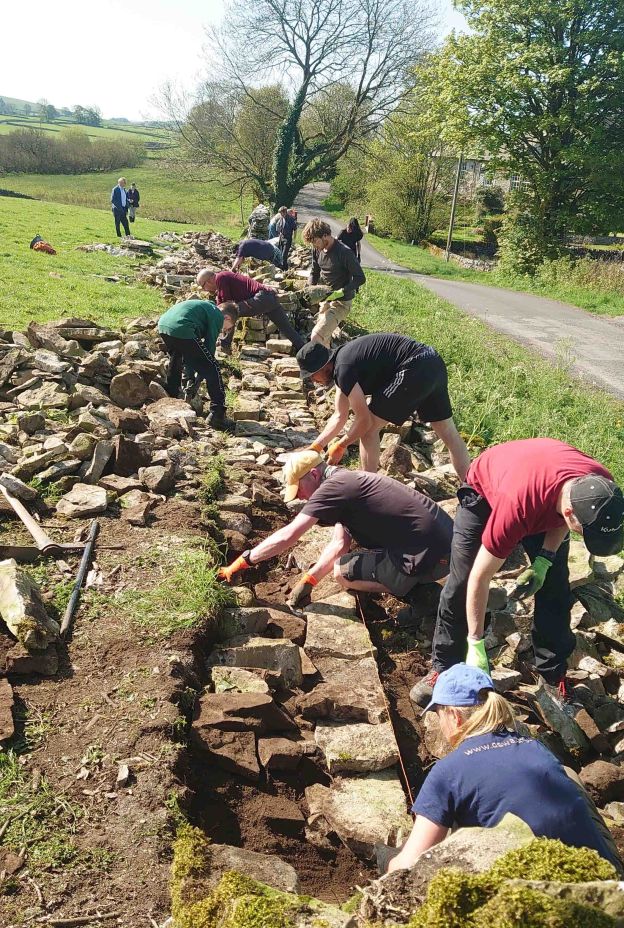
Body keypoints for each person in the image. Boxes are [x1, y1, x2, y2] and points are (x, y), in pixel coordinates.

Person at [410, 438, 624, 707]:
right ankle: (444, 667)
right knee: (462, 581)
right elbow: (480, 576)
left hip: (539, 484)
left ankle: (552, 671)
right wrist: (476, 643)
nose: (582, 534)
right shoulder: (518, 507)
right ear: (571, 514)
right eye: (584, 530)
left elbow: (562, 515)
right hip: (485, 489)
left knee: (556, 587)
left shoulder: (601, 489)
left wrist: (545, 560)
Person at [388, 664, 623, 876]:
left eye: (439, 715)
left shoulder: (447, 771)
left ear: (454, 716)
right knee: (568, 774)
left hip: (536, 899)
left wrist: (389, 867)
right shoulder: (534, 746)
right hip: (605, 878)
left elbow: (410, 863)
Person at [216, 450, 453, 611]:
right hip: (448, 545)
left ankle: (423, 598)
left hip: (431, 555)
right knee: (346, 562)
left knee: (343, 573)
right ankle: (417, 584)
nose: (299, 496)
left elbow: (290, 534)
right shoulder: (345, 484)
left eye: (299, 488)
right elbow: (340, 544)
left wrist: (243, 562)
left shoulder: (333, 488)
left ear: (314, 474)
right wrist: (310, 580)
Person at [296, 336, 471, 479]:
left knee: (369, 428)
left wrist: (341, 445)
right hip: (432, 362)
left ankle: (367, 484)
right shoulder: (343, 363)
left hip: (414, 366)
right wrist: (316, 447)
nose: (313, 381)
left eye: (312, 376)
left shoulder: (344, 369)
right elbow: (339, 416)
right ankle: (471, 487)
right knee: (448, 432)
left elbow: (363, 421)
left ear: (323, 366)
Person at [157, 299, 234, 432]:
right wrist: (199, 378)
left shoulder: (203, 310)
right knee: (213, 367)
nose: (222, 330)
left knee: (177, 357)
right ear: (226, 317)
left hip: (164, 326)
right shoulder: (217, 315)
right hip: (182, 327)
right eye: (226, 328)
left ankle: (172, 394)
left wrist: (192, 377)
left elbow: (191, 355)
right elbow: (209, 348)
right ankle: (217, 414)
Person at [196, 268, 305, 353]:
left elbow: (226, 307)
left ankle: (225, 345)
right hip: (269, 298)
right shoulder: (222, 279)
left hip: (261, 298)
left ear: (210, 280)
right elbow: (220, 304)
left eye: (203, 286)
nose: (204, 289)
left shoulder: (220, 278)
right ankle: (304, 349)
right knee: (286, 328)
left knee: (229, 313)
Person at [302, 218, 366, 347]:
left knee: (316, 335)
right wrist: (309, 290)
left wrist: (341, 291)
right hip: (326, 299)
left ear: (325, 235)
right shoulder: (317, 250)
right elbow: (314, 272)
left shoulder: (344, 252)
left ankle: (318, 365)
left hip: (342, 302)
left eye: (315, 241)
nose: (314, 245)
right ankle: (329, 365)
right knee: (323, 338)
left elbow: (360, 278)